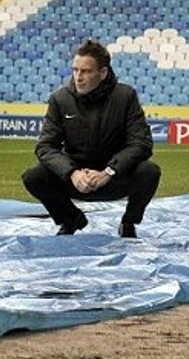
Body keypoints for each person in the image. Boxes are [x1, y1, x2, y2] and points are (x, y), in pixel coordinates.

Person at [22, 39, 160, 238]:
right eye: (75, 70)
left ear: (102, 73)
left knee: (149, 172)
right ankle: (71, 219)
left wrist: (109, 171)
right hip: (76, 180)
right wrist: (72, 173)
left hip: (113, 178)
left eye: (85, 71)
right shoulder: (60, 99)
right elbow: (45, 146)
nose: (78, 77)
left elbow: (141, 143)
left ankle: (129, 222)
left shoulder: (125, 96)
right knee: (34, 177)